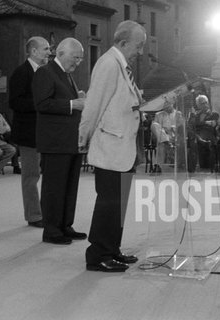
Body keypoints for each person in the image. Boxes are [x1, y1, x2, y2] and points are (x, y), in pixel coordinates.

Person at [79, 20, 146, 272]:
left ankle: (112, 249)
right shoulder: (108, 63)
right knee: (108, 202)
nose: (140, 51)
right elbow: (94, 104)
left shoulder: (122, 65)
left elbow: (122, 101)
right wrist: (82, 137)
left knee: (118, 202)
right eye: (138, 46)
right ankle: (97, 255)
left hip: (124, 147)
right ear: (123, 42)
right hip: (110, 145)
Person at [32, 37, 87, 245]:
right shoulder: (45, 73)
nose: (78, 62)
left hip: (69, 141)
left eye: (80, 59)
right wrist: (74, 104)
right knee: (54, 188)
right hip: (55, 143)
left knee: (69, 187)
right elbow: (42, 103)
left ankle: (65, 225)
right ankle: (52, 230)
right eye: (76, 57)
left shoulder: (66, 75)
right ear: (61, 53)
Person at [9, 36, 51, 228]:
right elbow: (15, 102)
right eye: (45, 49)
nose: (49, 52)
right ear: (33, 51)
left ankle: (44, 211)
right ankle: (33, 216)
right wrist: (41, 104)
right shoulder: (21, 72)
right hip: (28, 134)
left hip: (43, 132)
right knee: (31, 176)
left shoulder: (45, 72)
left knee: (44, 175)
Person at [150, 100, 185, 172]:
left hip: (173, 137)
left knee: (160, 142)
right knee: (154, 125)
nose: (166, 106)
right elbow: (155, 129)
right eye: (165, 105)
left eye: (168, 104)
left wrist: (171, 128)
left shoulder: (177, 113)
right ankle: (166, 141)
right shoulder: (158, 114)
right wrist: (163, 131)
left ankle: (157, 165)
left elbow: (181, 127)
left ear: (173, 103)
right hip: (162, 137)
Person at [192, 95, 219, 171]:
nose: (204, 105)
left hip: (209, 134)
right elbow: (193, 125)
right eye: (202, 103)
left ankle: (208, 166)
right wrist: (206, 122)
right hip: (196, 135)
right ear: (198, 105)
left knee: (204, 136)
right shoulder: (195, 114)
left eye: (205, 102)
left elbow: (213, 124)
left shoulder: (214, 114)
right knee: (192, 139)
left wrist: (200, 123)